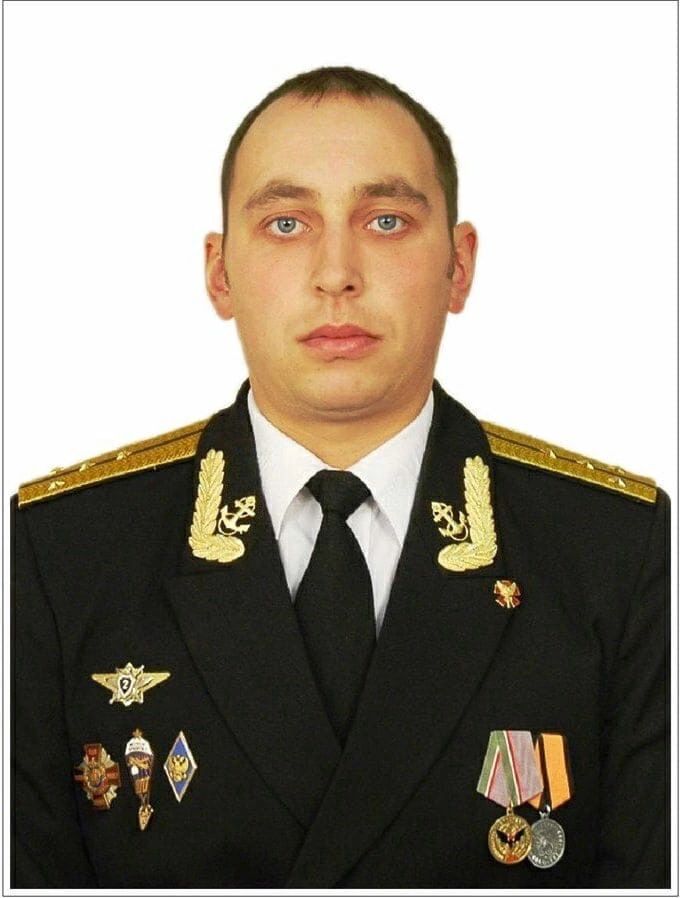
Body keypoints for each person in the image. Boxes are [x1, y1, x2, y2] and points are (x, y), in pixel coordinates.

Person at [11, 65, 669, 889]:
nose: (336, 273)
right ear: (219, 272)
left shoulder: (620, 553)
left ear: (459, 265)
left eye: (386, 220)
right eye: (286, 224)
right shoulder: (57, 556)